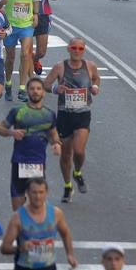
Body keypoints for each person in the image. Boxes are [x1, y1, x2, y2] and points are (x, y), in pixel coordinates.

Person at [43, 37, 101, 203]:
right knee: (66, 154)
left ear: (84, 50)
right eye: (74, 48)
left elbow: (96, 78)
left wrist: (95, 87)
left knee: (79, 150)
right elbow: (46, 84)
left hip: (82, 114)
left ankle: (77, 172)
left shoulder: (90, 66)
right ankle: (68, 185)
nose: (77, 51)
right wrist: (56, 88)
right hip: (65, 115)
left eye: (80, 49)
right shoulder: (60, 67)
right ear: (68, 49)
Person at [0, 77, 61, 211]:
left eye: (38, 89)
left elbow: (52, 133)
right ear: (27, 91)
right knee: (17, 209)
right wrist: (11, 133)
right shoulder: (17, 112)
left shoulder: (49, 114)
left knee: (37, 205)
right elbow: (0, 129)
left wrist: (56, 143)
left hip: (37, 163)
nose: (35, 92)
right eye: (32, 89)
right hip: (19, 162)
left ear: (43, 92)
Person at [0, 0, 39, 102]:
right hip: (10, 25)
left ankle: (22, 88)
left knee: (26, 54)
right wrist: (3, 2)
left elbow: (35, 0)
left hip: (26, 25)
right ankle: (8, 83)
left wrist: (35, 15)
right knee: (10, 58)